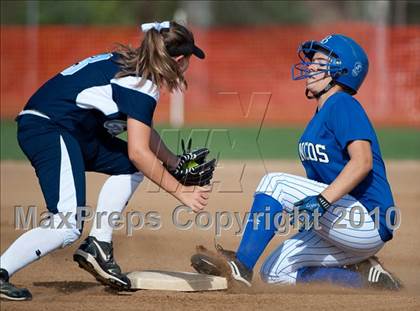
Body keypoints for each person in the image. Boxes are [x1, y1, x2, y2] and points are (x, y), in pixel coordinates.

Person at [0, 21, 211, 301]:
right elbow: (139, 151)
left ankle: (98, 245)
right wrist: (180, 191)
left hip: (71, 131)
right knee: (66, 225)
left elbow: (140, 131)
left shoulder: (128, 65)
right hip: (50, 129)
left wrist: (172, 162)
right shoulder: (140, 83)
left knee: (129, 166)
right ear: (179, 60)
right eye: (189, 61)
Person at [191, 34, 402, 290]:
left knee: (275, 183)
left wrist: (322, 200)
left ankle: (241, 266)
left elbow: (363, 162)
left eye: (321, 61)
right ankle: (368, 279)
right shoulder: (319, 116)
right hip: (342, 221)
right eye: (312, 60)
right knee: (275, 272)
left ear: (342, 71)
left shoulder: (342, 104)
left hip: (368, 218)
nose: (311, 65)